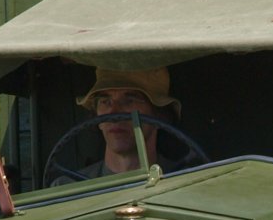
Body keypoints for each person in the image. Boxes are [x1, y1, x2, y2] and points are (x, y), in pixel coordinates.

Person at [52, 66, 187, 183]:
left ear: (160, 116)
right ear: (97, 117)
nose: (114, 114)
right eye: (105, 101)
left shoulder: (186, 183)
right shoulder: (67, 190)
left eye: (129, 101)